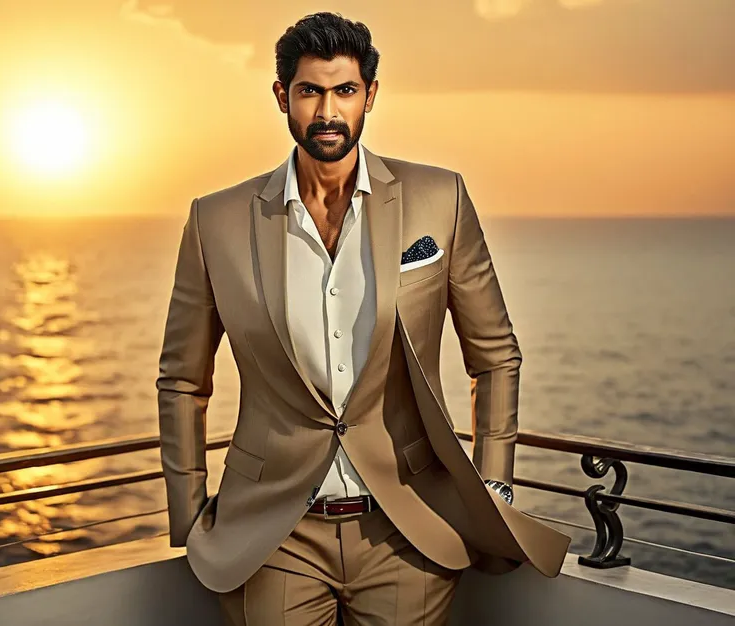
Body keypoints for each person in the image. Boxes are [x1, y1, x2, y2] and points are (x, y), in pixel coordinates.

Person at [156, 11, 571, 626]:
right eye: (310, 92)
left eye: (345, 91)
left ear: (370, 96)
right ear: (283, 97)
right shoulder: (215, 221)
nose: (328, 111)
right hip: (274, 539)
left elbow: (495, 356)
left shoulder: (439, 198)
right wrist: (189, 519)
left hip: (407, 530)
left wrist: (496, 485)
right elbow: (182, 379)